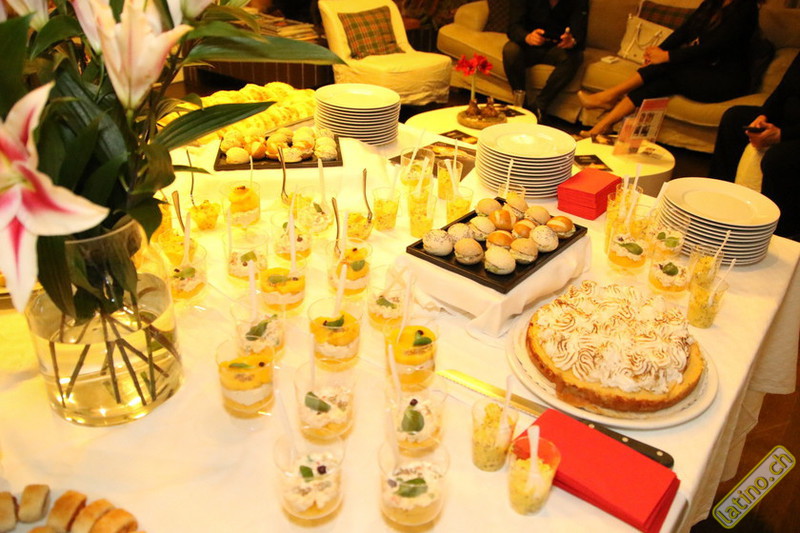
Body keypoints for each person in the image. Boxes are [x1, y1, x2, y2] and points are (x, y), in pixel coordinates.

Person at [577, 0, 762, 137]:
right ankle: (602, 126)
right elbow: (683, 32)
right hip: (703, 69)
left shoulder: (747, 9)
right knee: (659, 81)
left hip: (725, 80)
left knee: (670, 68)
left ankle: (609, 97)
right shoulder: (712, 4)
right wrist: (657, 52)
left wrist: (667, 56)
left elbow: (713, 47)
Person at [709, 52, 800, 240]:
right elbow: (783, 89)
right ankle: (717, 202)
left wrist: (783, 135)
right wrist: (764, 116)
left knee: (778, 159)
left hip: (794, 134)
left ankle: (777, 233)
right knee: (734, 119)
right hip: (789, 121)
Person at [502, 0, 589, 121]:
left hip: (558, 47)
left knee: (575, 57)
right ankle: (521, 104)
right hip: (528, 46)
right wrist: (527, 37)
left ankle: (539, 105)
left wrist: (572, 41)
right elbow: (513, 27)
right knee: (510, 50)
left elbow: (579, 33)